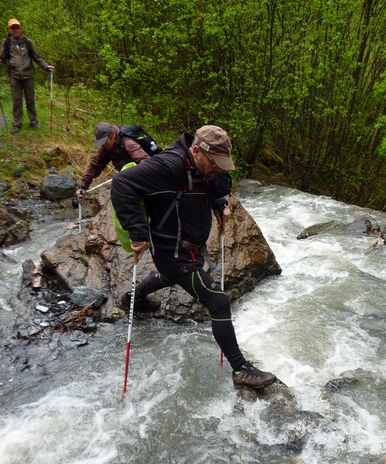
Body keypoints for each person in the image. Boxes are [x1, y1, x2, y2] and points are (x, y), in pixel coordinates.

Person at [111, 124, 276, 390]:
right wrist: (138, 232)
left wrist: (220, 204)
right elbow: (122, 183)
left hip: (187, 249)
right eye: (215, 164)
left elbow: (212, 186)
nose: (218, 169)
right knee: (218, 301)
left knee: (170, 277)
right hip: (173, 252)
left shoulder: (202, 166)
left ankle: (134, 297)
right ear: (196, 150)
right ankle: (240, 370)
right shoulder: (169, 166)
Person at [0, 18, 54, 133]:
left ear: (20, 28)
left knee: (30, 100)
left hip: (28, 75)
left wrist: (46, 67)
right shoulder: (6, 42)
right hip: (14, 76)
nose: (15, 29)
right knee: (16, 101)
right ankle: (17, 124)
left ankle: (33, 122)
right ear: (9, 29)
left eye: (17, 27)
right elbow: (2, 58)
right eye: (13, 27)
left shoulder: (28, 42)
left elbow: (36, 57)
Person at [75, 122, 151, 202]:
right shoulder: (106, 148)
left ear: (112, 136)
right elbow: (95, 166)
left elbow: (146, 162)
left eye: (104, 142)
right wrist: (82, 187)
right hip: (128, 181)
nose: (103, 145)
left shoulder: (128, 143)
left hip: (143, 179)